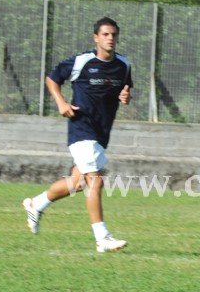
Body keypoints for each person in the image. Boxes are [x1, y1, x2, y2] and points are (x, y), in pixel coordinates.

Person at [22, 17, 133, 253]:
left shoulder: (124, 65)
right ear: (96, 38)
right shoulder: (81, 61)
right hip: (81, 127)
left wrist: (125, 97)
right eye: (105, 34)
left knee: (77, 183)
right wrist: (61, 102)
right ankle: (102, 238)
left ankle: (36, 204)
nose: (110, 38)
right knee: (96, 180)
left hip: (102, 133)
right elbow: (52, 78)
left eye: (113, 34)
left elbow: (124, 90)